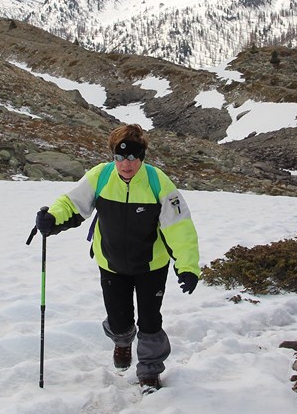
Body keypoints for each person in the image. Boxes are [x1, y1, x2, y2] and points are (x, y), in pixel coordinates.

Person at [35, 123, 200, 391]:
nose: (126, 164)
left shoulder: (158, 182)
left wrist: (188, 266)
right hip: (111, 263)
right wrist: (52, 218)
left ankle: (149, 371)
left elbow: (179, 226)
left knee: (150, 321)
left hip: (151, 266)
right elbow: (71, 203)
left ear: (142, 156)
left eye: (133, 156)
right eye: (120, 156)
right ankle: (122, 341)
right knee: (118, 320)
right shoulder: (101, 176)